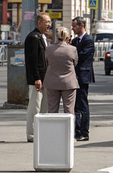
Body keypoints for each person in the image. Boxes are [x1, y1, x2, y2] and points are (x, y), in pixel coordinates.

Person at [24, 12, 51, 142]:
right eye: (47, 22)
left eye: (50, 22)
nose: (49, 25)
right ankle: (32, 134)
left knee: (44, 108)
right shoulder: (33, 38)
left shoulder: (42, 37)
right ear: (39, 23)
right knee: (34, 107)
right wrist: (36, 78)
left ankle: (42, 132)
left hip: (45, 78)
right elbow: (32, 60)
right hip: (37, 79)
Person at [43, 26, 79, 114]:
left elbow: (46, 62)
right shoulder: (72, 49)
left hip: (52, 82)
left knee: (52, 109)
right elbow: (75, 63)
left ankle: (53, 127)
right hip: (69, 82)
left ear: (56, 36)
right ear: (67, 38)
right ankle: (69, 127)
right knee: (69, 110)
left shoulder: (48, 49)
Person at [70, 16, 95, 141]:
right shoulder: (74, 41)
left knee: (83, 105)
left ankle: (84, 132)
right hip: (74, 76)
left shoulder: (88, 40)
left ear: (82, 26)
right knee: (74, 106)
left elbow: (81, 56)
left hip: (83, 76)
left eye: (75, 26)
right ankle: (77, 131)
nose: (73, 28)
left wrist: (72, 56)